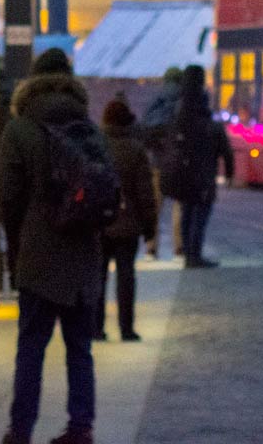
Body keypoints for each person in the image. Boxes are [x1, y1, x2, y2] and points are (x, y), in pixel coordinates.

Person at [0, 47, 103, 444]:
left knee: (31, 348)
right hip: (82, 255)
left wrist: (16, 244)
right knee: (80, 348)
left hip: (38, 255)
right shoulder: (89, 128)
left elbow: (7, 197)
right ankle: (81, 427)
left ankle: (20, 430)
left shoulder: (20, 128)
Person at [96, 99, 157, 342]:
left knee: (98, 277)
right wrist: (149, 227)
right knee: (126, 277)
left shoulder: (97, 146)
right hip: (128, 225)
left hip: (100, 224)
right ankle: (126, 328)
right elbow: (145, 193)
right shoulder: (135, 149)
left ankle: (96, 327)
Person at [169, 64, 233, 269]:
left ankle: (188, 253)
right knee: (200, 214)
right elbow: (225, 149)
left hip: (183, 171)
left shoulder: (178, 108)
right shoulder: (205, 109)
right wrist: (229, 172)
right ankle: (194, 255)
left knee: (187, 212)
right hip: (204, 171)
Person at [138, 68, 183, 260]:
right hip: (178, 162)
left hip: (156, 161)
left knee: (155, 206)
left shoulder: (156, 102)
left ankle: (150, 247)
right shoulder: (183, 102)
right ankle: (179, 248)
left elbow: (143, 130)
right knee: (178, 206)